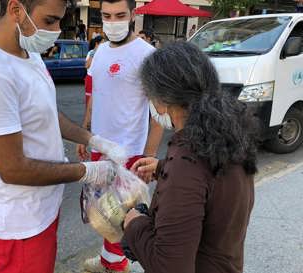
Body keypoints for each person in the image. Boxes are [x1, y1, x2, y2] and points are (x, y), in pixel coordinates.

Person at [0, 0, 127, 273]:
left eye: (59, 20)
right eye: (49, 21)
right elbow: (12, 169)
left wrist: (91, 138)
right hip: (19, 220)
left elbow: (47, 112)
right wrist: (88, 171)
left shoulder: (27, 51)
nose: (56, 30)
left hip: (42, 207)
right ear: (16, 10)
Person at [123, 42, 257, 273]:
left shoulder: (186, 163)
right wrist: (162, 167)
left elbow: (170, 266)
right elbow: (212, 181)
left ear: (162, 100)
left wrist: (134, 224)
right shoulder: (227, 134)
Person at [77, 0, 164, 272]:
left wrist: (149, 156)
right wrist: (84, 134)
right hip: (99, 149)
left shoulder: (147, 55)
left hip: (130, 152)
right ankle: (109, 259)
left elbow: (159, 113)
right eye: (106, 15)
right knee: (102, 211)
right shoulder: (100, 52)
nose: (112, 21)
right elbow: (94, 98)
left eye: (119, 15)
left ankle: (116, 265)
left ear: (133, 15)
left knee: (124, 216)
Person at [84, 35, 103, 105]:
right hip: (90, 78)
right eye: (102, 43)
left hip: (100, 79)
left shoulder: (104, 53)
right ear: (97, 44)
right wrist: (93, 53)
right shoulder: (91, 52)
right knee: (89, 100)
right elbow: (86, 66)